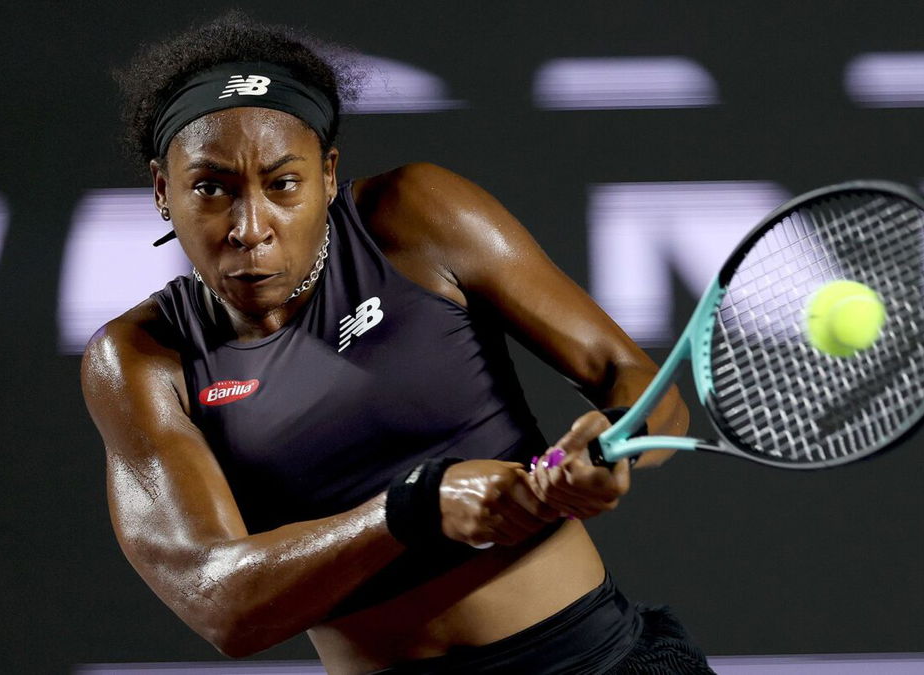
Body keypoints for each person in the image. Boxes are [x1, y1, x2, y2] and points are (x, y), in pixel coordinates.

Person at [82, 12, 714, 674]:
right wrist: (415, 507)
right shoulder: (139, 358)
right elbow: (219, 602)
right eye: (211, 187)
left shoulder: (416, 216)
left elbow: (635, 379)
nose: (250, 227)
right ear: (163, 190)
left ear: (328, 176)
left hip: (599, 661)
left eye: (282, 183)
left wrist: (618, 436)